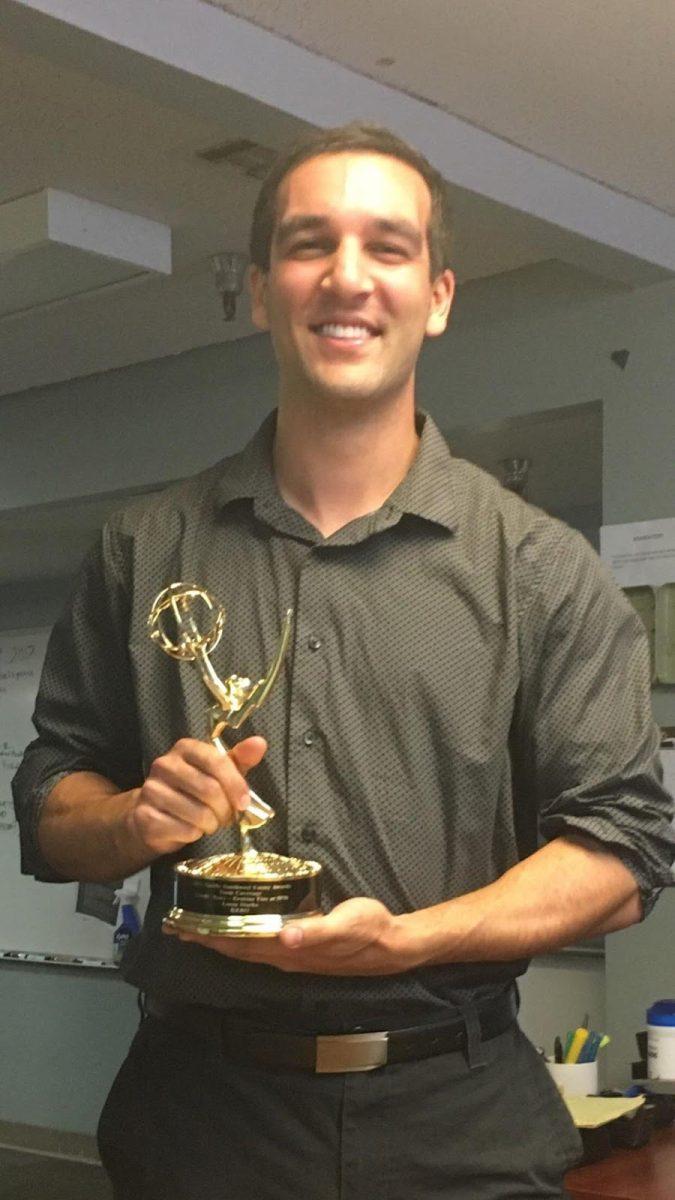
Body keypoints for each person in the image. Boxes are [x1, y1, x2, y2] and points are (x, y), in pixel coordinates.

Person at [13, 123, 674, 1200]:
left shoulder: (541, 571)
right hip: (199, 1127)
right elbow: (49, 795)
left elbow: (625, 852)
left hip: (460, 1131)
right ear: (265, 289)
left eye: (389, 246)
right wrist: (133, 819)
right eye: (310, 243)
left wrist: (411, 940)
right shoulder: (143, 553)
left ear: (440, 294)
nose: (348, 276)